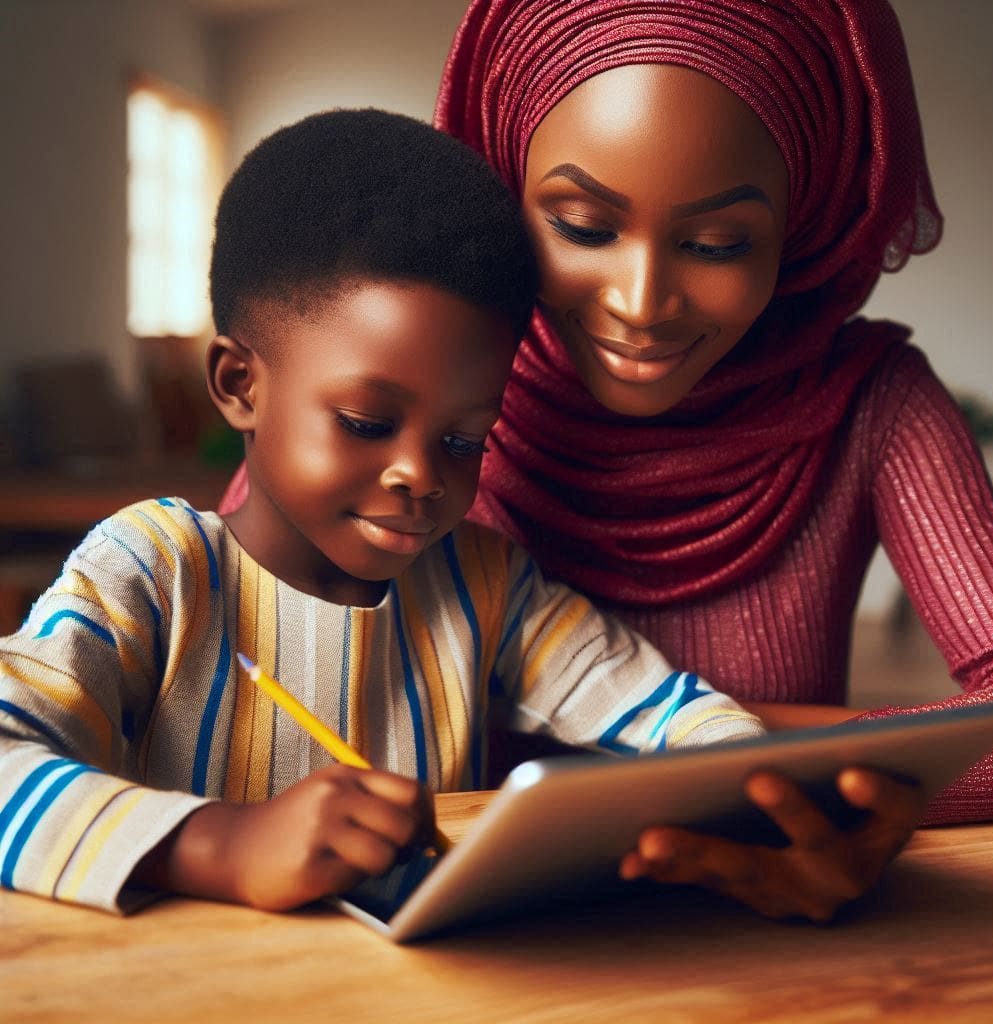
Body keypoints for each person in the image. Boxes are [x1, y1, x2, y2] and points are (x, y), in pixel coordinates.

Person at [221, 0, 993, 921]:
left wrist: (773, 776)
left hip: (770, 956)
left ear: (800, 225)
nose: (642, 304)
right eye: (583, 227)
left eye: (718, 243)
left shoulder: (870, 402)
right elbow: (219, 675)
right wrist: (792, 762)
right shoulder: (420, 395)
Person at [0, 108, 764, 915]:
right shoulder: (157, 572)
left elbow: (676, 716)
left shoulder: (486, 586)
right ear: (239, 385)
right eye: (366, 424)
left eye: (466, 440)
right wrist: (219, 845)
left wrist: (753, 790)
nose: (419, 474)